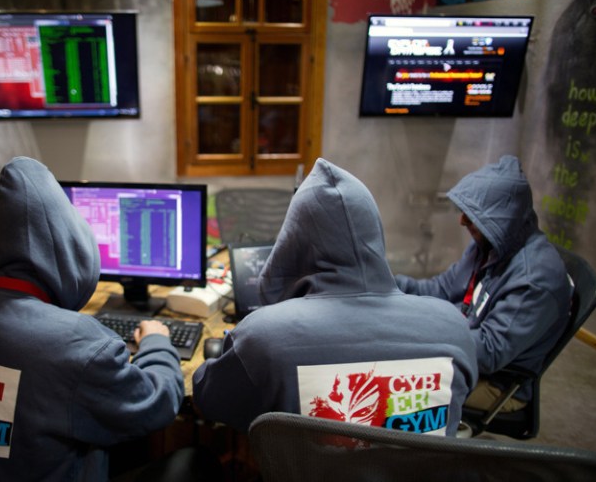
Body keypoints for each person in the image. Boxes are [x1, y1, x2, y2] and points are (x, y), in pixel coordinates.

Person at [0, 157, 184, 480]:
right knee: (193, 461)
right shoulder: (74, 342)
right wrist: (157, 341)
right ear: (67, 240)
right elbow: (156, 404)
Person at [192, 158, 478, 436]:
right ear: (374, 233)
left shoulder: (263, 337)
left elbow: (209, 402)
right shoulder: (455, 329)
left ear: (293, 243)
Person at [395, 155, 572, 412]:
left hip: (496, 384)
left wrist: (421, 331)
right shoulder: (489, 245)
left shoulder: (534, 280)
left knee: (393, 389)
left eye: (472, 215)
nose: (462, 221)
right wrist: (386, 285)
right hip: (464, 355)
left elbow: (490, 352)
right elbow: (441, 290)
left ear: (501, 219)